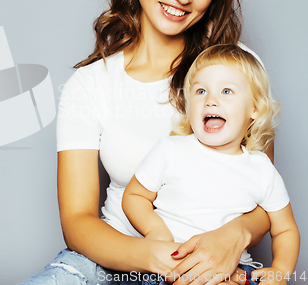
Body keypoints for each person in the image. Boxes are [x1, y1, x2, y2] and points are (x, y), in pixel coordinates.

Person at [20, 0, 273, 285]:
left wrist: (233, 237)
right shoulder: (89, 85)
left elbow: (268, 195)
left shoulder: (239, 69)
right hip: (111, 264)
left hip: (217, 267)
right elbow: (77, 222)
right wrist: (156, 257)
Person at [123, 44, 300, 285]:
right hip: (172, 266)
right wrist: (155, 231)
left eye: (227, 91)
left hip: (234, 270)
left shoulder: (262, 169)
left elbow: (285, 230)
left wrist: (280, 270)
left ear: (255, 109)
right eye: (200, 91)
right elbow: (134, 196)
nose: (211, 101)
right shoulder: (171, 150)